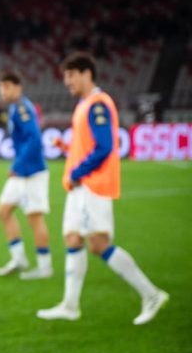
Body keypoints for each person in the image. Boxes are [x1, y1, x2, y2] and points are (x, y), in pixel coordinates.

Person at [37, 52, 168, 324]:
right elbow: (88, 146)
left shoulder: (98, 104)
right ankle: (70, 306)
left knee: (98, 243)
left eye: (71, 75)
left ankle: (151, 294)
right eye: (65, 76)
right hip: (80, 187)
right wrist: (68, 149)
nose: (67, 82)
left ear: (87, 73)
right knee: (73, 238)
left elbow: (105, 147)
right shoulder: (85, 104)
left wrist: (77, 172)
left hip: (92, 185)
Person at [0, 70, 52, 279]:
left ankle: (45, 267)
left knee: (35, 218)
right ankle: (19, 259)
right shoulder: (14, 108)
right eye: (1, 87)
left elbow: (34, 139)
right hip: (22, 172)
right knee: (3, 211)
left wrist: (17, 165)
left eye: (7, 87)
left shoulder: (22, 108)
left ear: (18, 87)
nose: (3, 91)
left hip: (32, 172)